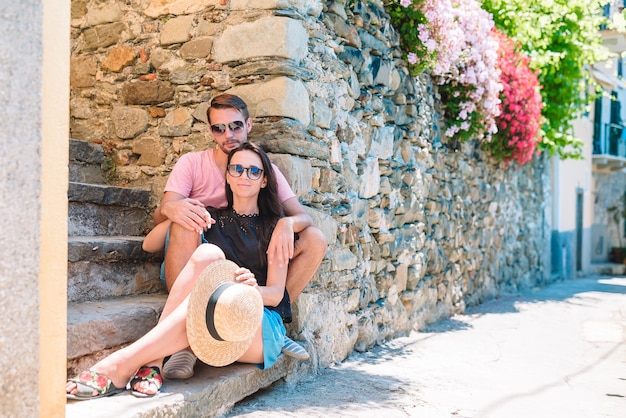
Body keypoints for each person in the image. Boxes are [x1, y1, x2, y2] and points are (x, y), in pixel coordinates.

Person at [66, 143, 296, 400]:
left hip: (256, 324)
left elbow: (276, 294)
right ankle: (151, 362)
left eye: (254, 171)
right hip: (209, 316)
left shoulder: (274, 227)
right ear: (228, 175)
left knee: (220, 297)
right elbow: (149, 243)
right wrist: (175, 210)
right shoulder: (209, 217)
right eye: (238, 169)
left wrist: (249, 290)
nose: (245, 175)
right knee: (208, 254)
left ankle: (122, 363)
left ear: (264, 180)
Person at [150, 93, 327, 375]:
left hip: (243, 255)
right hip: (194, 256)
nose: (227, 134)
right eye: (218, 128)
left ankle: (272, 318)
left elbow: (303, 216)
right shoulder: (193, 163)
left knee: (315, 238)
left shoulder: (259, 164)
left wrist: (286, 224)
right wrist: (174, 208)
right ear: (210, 131)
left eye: (235, 126)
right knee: (187, 224)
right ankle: (184, 341)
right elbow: (161, 214)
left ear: (248, 125)